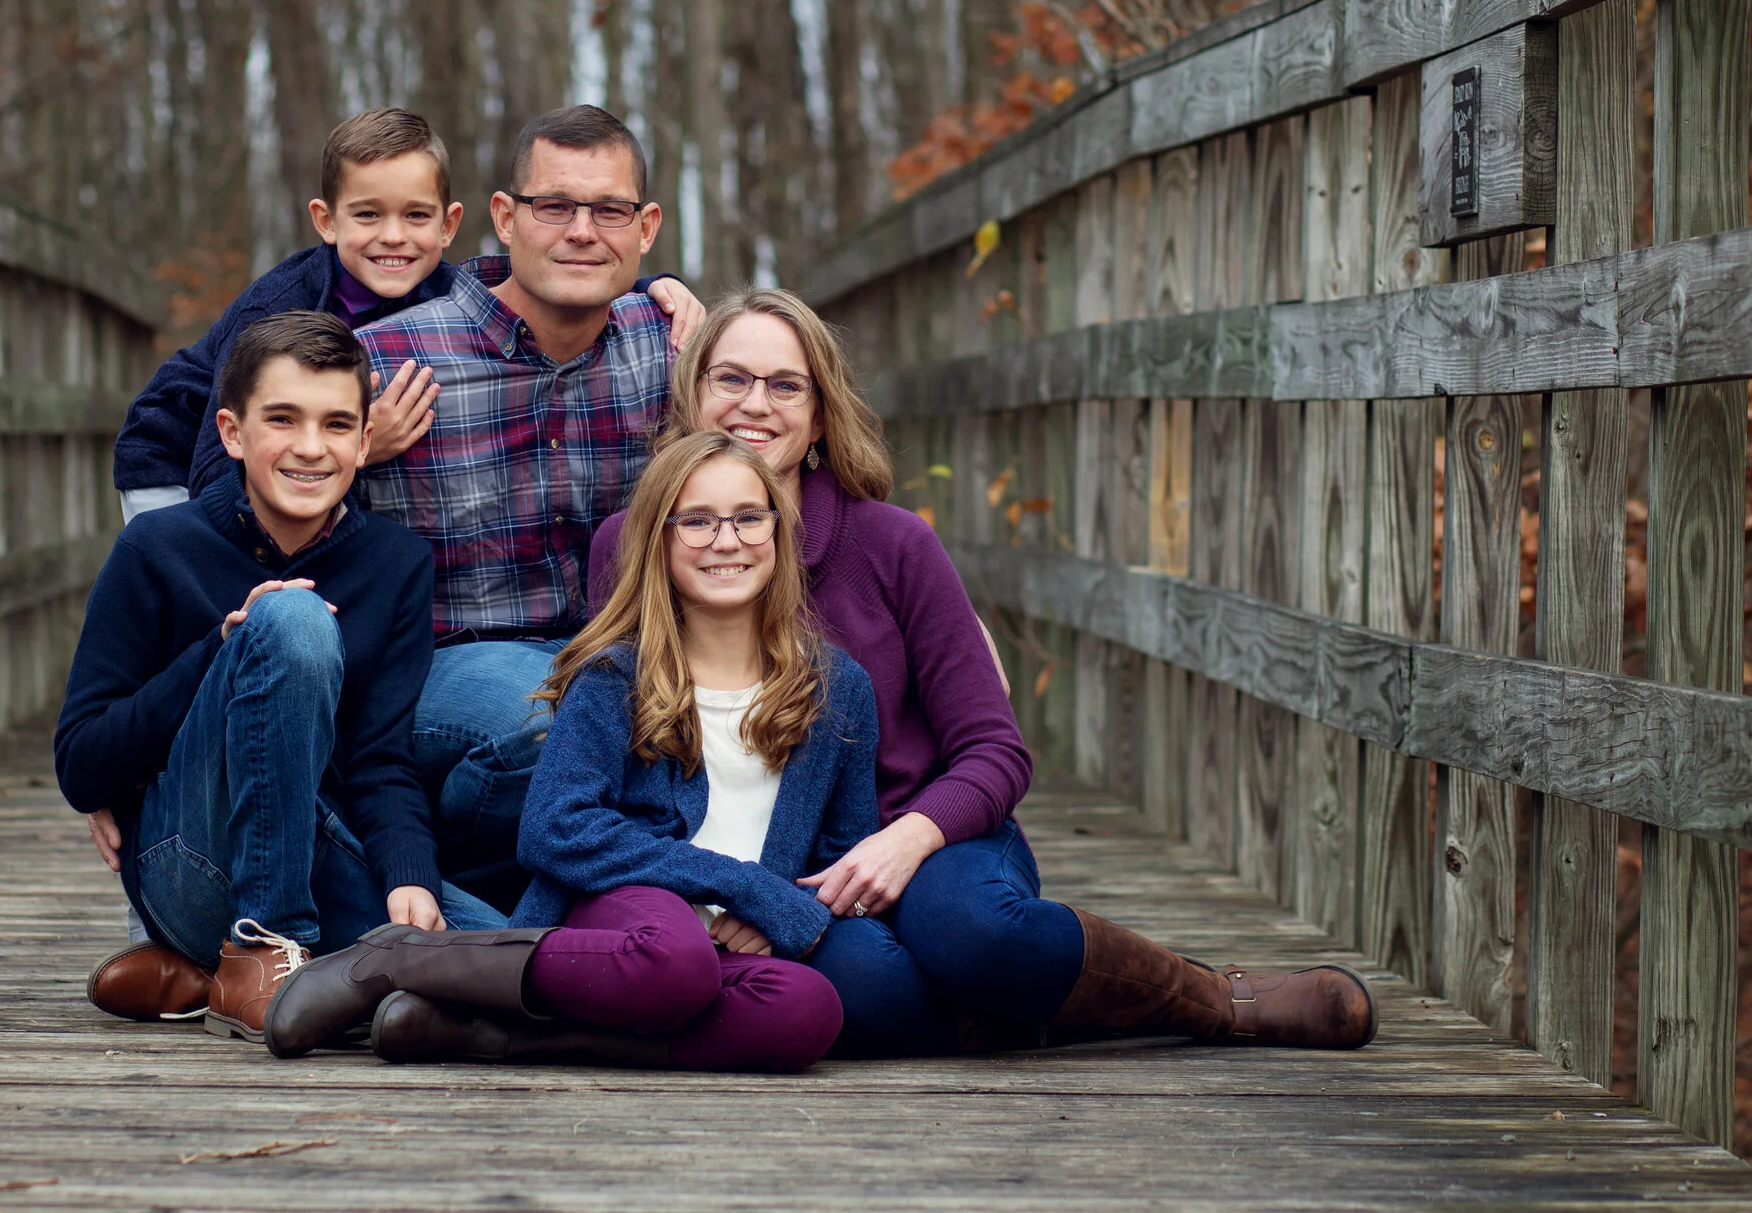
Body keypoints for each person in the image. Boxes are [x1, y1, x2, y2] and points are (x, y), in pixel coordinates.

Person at [589, 290, 1377, 1055]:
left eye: (786, 384)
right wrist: (748, 889)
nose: (755, 403)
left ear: (821, 415)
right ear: (691, 398)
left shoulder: (893, 545)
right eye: (731, 378)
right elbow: (627, 739)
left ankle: (1213, 1000)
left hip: (925, 834)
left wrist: (905, 841)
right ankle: (1012, 1016)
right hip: (755, 864)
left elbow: (995, 751)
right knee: (860, 991)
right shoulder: (633, 544)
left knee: (978, 933)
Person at [262, 432, 863, 1072]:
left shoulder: (835, 687)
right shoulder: (616, 675)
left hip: (734, 943)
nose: (727, 540)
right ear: (659, 541)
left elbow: (843, 849)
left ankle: (483, 1035)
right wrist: (743, 885)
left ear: (778, 532)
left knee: (810, 1009)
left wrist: (780, 907)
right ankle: (398, 957)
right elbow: (554, 827)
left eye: (748, 518)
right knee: (676, 963)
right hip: (623, 910)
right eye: (697, 521)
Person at [54, 312, 498, 1041]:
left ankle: (210, 975)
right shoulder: (158, 548)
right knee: (291, 622)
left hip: (321, 854)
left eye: (335, 424)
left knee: (507, 956)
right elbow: (80, 764)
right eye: (283, 419)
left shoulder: (395, 562)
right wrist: (219, 653)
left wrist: (409, 875)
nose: (310, 448)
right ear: (232, 432)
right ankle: (265, 946)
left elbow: (380, 759)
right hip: (190, 862)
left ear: (364, 440)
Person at [353, 105, 693, 910]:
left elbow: (789, 431)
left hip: (624, 658)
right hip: (450, 676)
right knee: (558, 725)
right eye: (554, 207)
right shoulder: (387, 361)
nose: (582, 230)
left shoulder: (677, 349)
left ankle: (541, 925)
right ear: (506, 218)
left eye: (608, 210)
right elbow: (258, 505)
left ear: (644, 229)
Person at [111, 107, 701, 522]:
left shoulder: (442, 288)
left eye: (416, 217)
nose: (393, 238)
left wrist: (653, 286)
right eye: (367, 215)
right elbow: (220, 466)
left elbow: (534, 281)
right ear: (326, 221)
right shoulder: (278, 316)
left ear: (448, 226)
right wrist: (362, 446)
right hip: (172, 462)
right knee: (199, 580)